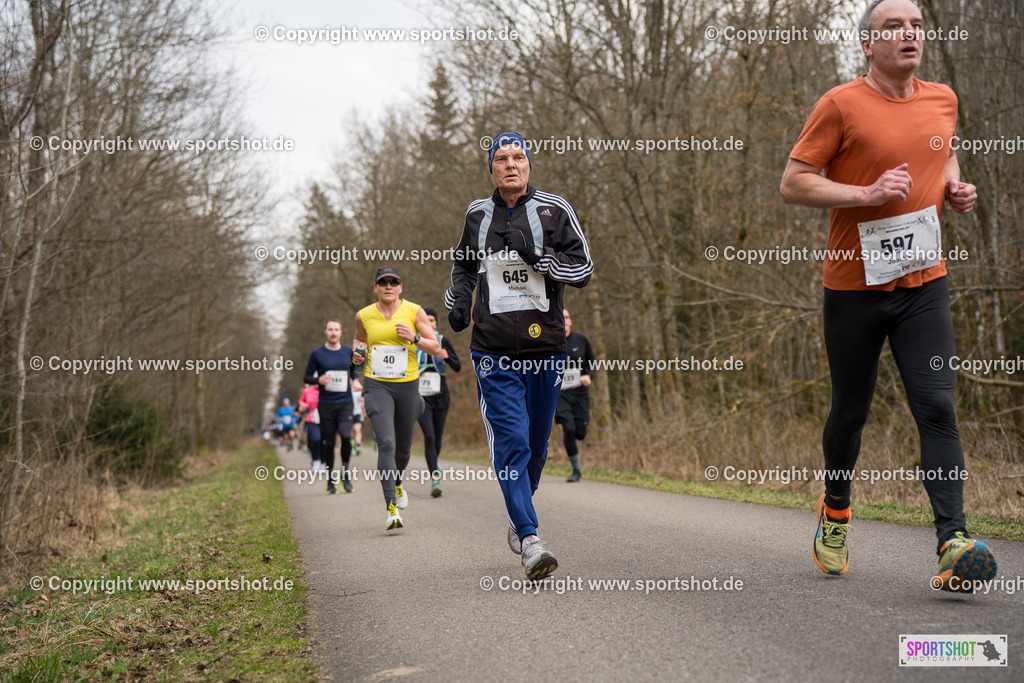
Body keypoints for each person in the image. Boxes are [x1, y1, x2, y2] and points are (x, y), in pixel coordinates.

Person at [780, 0, 996, 590]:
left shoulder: (943, 98)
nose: (909, 34)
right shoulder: (839, 104)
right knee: (851, 412)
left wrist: (954, 184)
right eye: (893, 26)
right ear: (866, 45)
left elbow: (942, 148)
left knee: (937, 404)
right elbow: (794, 183)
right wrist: (866, 192)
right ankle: (837, 508)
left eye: (917, 25)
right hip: (854, 288)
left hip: (924, 282)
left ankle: (953, 541)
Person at [445, 131, 593, 580]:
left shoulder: (554, 210)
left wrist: (541, 259)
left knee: (536, 448)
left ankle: (516, 514)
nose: (511, 164)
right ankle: (529, 538)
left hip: (546, 348)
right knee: (512, 443)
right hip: (492, 352)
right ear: (492, 167)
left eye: (519, 157)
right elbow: (465, 265)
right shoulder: (477, 215)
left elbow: (583, 268)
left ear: (529, 165)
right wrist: (459, 299)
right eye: (502, 158)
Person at [355, 266, 439, 530]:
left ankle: (397, 481)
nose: (388, 286)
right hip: (377, 384)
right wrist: (356, 356)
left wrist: (414, 338)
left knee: (403, 448)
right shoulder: (363, 315)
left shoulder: (415, 311)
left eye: (394, 282)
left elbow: (435, 346)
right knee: (387, 443)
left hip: (407, 385)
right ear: (375, 288)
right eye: (383, 282)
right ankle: (391, 507)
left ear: (401, 287)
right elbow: (359, 342)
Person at [304, 320, 359, 494]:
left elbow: (353, 372)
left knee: (344, 435)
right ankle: (330, 479)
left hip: (345, 403)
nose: (333, 333)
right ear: (325, 332)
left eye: (336, 329)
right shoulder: (317, 354)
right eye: (330, 330)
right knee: (327, 442)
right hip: (326, 404)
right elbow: (306, 377)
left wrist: (356, 381)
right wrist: (318, 380)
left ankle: (345, 474)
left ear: (341, 332)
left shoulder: (348, 352)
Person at [416, 306, 462, 498]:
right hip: (420, 397)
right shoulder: (414, 342)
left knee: (438, 438)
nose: (429, 323)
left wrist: (448, 356)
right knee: (429, 437)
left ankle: (434, 462)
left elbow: (457, 366)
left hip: (441, 395)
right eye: (425, 320)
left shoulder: (443, 341)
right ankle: (435, 477)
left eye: (432, 320)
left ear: (436, 323)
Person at [555, 308, 595, 482]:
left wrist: (589, 376)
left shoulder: (581, 340)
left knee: (580, 433)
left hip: (580, 393)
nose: (564, 321)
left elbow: (592, 363)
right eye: (560, 318)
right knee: (569, 428)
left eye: (566, 317)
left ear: (570, 321)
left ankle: (576, 467)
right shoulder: (550, 343)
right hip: (560, 395)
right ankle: (576, 470)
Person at [297, 383, 322, 471]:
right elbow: (300, 407)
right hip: (311, 418)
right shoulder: (307, 391)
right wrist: (304, 406)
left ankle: (323, 462)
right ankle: (315, 460)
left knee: (325, 441)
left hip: (326, 417)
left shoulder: (328, 389)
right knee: (315, 439)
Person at [350, 378, 364, 456]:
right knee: (351, 433)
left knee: (357, 429)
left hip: (358, 413)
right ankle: (353, 446)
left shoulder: (359, 392)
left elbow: (363, 389)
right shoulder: (347, 391)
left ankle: (358, 445)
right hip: (348, 413)